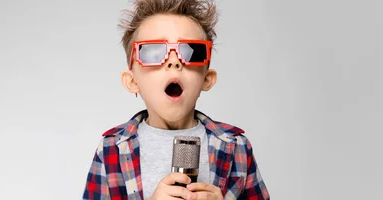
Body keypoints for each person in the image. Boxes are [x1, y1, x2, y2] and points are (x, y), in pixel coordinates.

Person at [83, 0, 269, 199]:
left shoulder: (236, 147)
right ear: (132, 81)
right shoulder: (112, 149)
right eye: (153, 52)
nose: (174, 61)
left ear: (207, 79)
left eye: (191, 51)